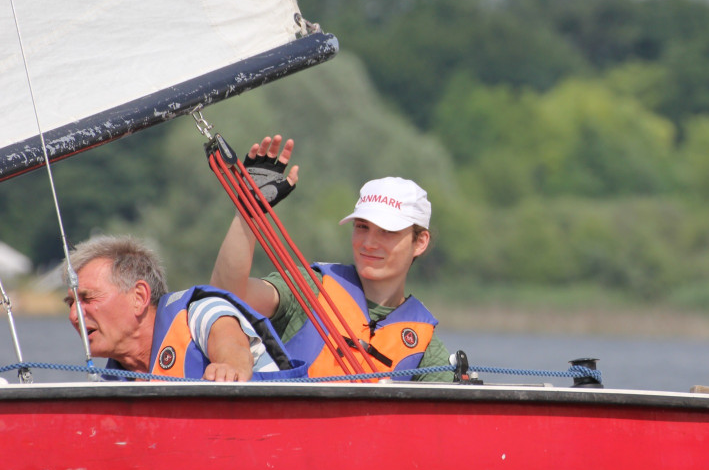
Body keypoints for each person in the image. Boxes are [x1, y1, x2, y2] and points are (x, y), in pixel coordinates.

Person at [210, 135, 452, 382]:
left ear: (420, 242)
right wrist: (248, 213)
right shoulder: (310, 287)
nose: (368, 243)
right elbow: (226, 294)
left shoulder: (428, 348)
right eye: (362, 227)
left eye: (387, 231)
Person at [65, 235, 301, 381]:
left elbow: (229, 341)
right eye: (71, 303)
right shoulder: (111, 384)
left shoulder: (199, 313)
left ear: (139, 297)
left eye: (87, 298)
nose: (74, 315)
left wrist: (230, 366)